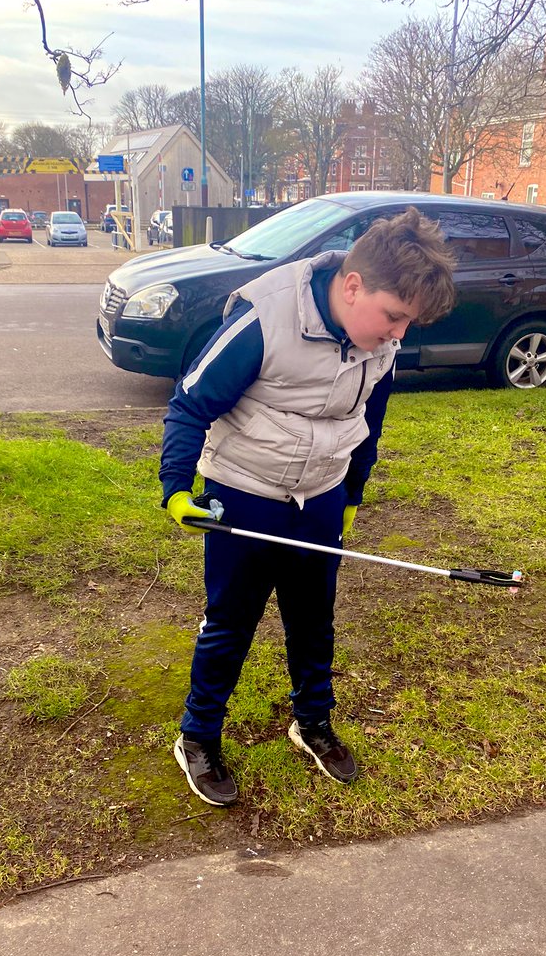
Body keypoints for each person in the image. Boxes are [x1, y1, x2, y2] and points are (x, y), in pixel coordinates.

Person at [159, 207, 456, 807]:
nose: (399, 333)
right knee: (230, 621)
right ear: (352, 286)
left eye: (408, 322)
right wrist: (176, 490)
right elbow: (190, 403)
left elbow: (368, 421)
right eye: (394, 316)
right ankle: (198, 736)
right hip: (245, 490)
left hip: (319, 492)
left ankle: (312, 722)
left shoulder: (380, 342)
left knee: (314, 615)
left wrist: (350, 496)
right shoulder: (265, 317)